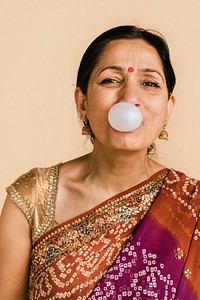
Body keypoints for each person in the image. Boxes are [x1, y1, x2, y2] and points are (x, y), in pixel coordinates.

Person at [0, 25, 199, 300]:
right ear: (82, 102)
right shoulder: (34, 198)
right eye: (110, 81)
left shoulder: (193, 206)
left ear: (168, 108)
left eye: (150, 83)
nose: (129, 99)